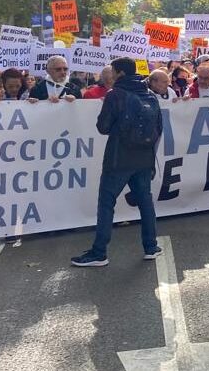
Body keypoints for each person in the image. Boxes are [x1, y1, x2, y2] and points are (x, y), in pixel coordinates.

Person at [71, 58, 163, 267]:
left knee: (106, 203)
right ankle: (151, 247)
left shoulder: (115, 95)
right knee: (145, 203)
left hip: (119, 158)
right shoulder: (150, 95)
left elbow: (103, 127)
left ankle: (99, 252)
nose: (111, 74)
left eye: (112, 71)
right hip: (143, 158)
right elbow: (159, 129)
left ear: (119, 73)